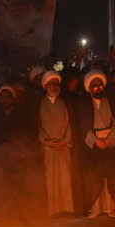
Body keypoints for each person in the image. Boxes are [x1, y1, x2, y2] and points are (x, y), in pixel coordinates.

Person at [75, 69, 115, 218]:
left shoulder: (110, 101)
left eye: (100, 85)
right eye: (95, 86)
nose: (98, 88)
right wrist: (96, 141)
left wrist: (108, 141)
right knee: (94, 177)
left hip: (109, 145)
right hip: (93, 148)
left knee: (111, 176)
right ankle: (95, 208)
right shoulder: (84, 104)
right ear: (89, 88)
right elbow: (82, 127)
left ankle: (110, 207)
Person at [35, 70, 76, 215]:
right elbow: (38, 126)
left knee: (65, 177)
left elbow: (70, 123)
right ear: (45, 86)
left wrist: (65, 140)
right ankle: (53, 211)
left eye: (57, 84)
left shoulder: (63, 103)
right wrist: (46, 141)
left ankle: (67, 208)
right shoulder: (40, 104)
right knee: (50, 179)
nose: (54, 87)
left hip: (63, 146)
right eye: (51, 85)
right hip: (49, 147)